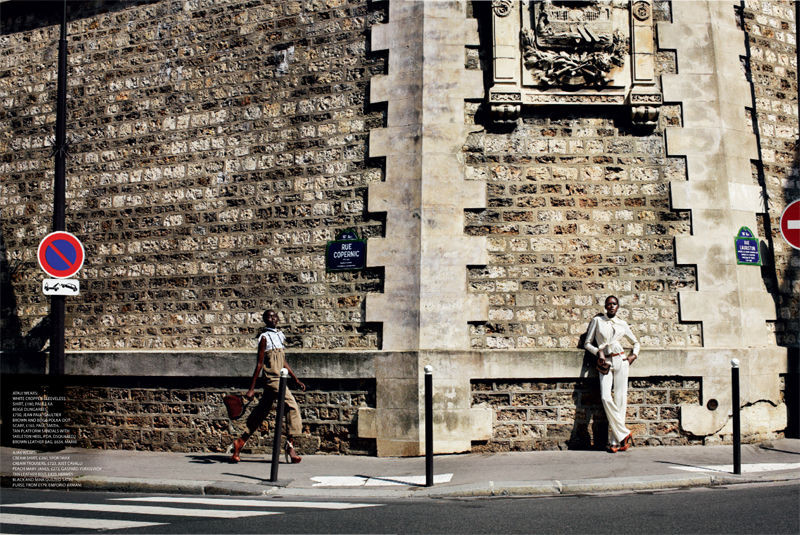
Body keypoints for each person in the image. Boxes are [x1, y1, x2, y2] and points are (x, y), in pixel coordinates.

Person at [231, 309, 306, 464]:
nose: (273, 318)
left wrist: (295, 378)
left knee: (261, 412)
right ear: (265, 320)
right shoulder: (264, 338)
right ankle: (290, 446)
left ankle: (240, 442)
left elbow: (282, 361)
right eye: (269, 316)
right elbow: (259, 364)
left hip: (281, 378)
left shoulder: (279, 336)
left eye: (274, 316)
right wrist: (251, 389)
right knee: (292, 406)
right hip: (272, 380)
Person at [583, 295, 640, 453]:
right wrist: (598, 352)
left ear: (618, 306)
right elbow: (587, 343)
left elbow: (635, 342)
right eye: (609, 304)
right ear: (605, 306)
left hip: (621, 361)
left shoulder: (622, 324)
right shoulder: (598, 321)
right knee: (605, 397)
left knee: (620, 399)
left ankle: (615, 441)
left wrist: (633, 356)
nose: (611, 306)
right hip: (605, 362)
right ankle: (624, 433)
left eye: (614, 304)